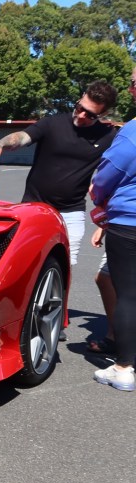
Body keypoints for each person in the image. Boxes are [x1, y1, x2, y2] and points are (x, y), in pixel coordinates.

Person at [0, 80, 118, 267]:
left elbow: (119, 171)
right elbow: (21, 137)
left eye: (90, 115)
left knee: (62, 268)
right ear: (80, 98)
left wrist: (105, 217)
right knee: (19, 262)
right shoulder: (52, 123)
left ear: (104, 114)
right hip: (33, 207)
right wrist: (0, 144)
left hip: (71, 214)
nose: (81, 115)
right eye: (79, 107)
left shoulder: (108, 137)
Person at [88, 71, 136, 391]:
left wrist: (98, 196)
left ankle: (123, 368)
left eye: (133, 83)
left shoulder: (132, 132)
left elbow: (107, 175)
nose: (130, 89)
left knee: (129, 294)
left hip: (130, 222)